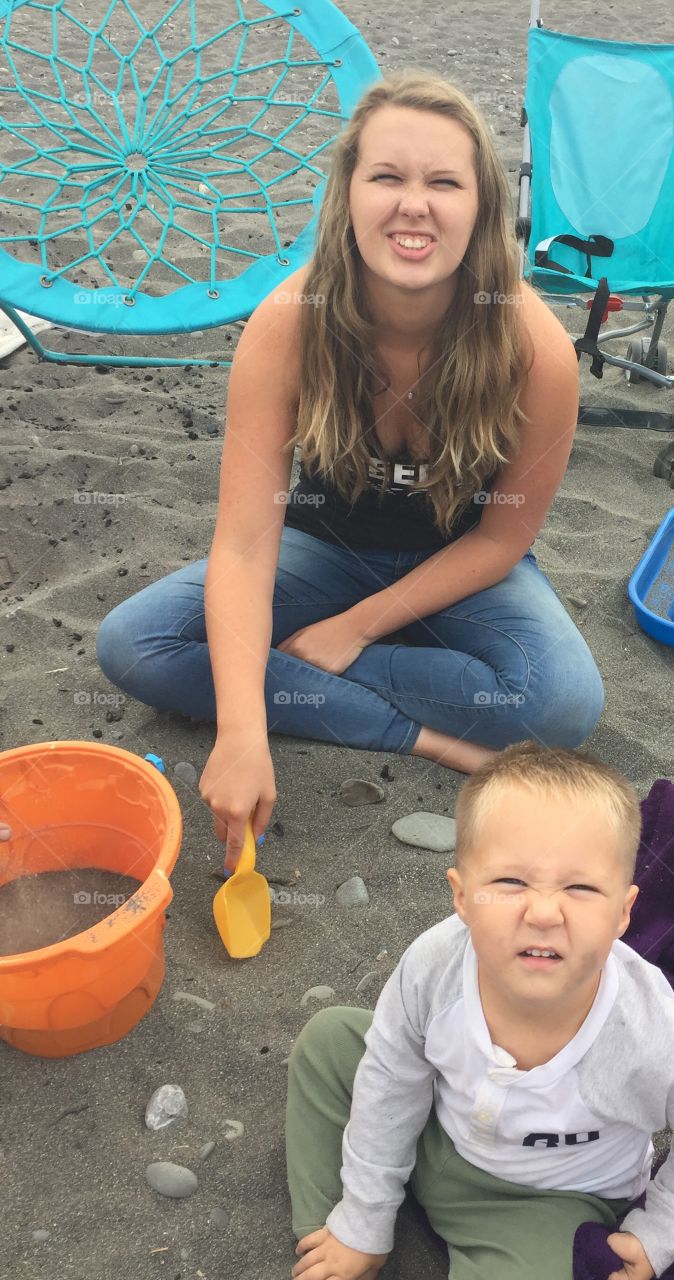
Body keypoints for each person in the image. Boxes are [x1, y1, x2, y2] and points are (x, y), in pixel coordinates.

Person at [95, 70, 603, 867]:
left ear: (482, 208)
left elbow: (503, 541)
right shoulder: (289, 324)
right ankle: (426, 737)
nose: (414, 204)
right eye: (387, 177)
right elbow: (243, 545)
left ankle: (300, 673)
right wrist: (240, 734)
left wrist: (351, 631)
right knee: (135, 644)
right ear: (348, 194)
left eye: (444, 182)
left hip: (459, 566)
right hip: (321, 550)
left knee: (565, 704)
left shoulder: (533, 347)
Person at [286, 742, 674, 1280]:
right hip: (436, 1125)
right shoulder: (434, 962)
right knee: (331, 1041)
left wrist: (664, 1229)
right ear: (462, 897)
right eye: (511, 882)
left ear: (623, 912)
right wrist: (365, 1216)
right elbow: (392, 1077)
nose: (542, 912)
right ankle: (342, 1237)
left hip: (546, 1203)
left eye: (580, 887)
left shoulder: (653, 1036)